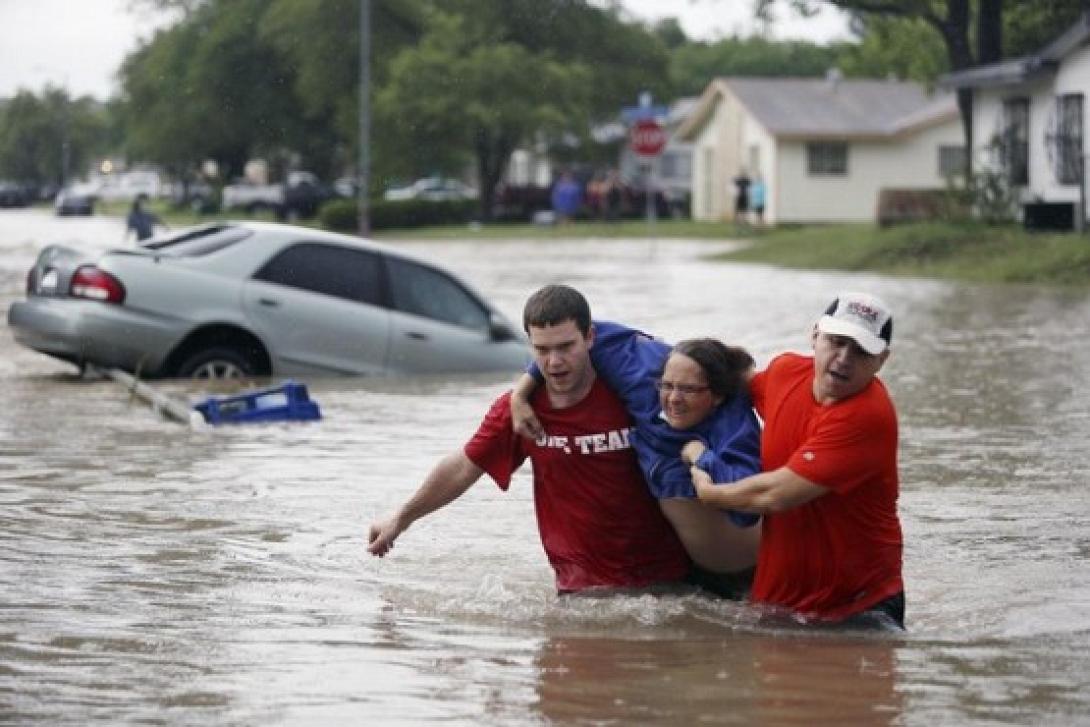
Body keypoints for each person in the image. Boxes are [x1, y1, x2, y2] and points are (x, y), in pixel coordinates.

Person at [368, 285, 691, 594]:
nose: (555, 362)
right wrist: (401, 518)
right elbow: (463, 467)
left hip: (669, 582)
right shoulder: (520, 411)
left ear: (590, 337)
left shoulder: (637, 396)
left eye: (566, 347)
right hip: (581, 590)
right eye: (542, 349)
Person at [686, 292, 905, 629]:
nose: (844, 358)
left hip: (858, 610)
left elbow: (775, 495)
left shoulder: (868, 416)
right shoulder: (785, 373)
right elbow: (731, 377)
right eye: (836, 342)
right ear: (815, 335)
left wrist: (710, 491)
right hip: (777, 603)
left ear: (881, 360)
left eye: (861, 351)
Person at [511, 322, 763, 592]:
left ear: (717, 396)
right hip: (687, 569)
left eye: (688, 389)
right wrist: (521, 393)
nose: (674, 398)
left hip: (747, 573)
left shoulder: (732, 424)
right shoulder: (644, 383)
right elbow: (576, 333)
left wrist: (701, 457)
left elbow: (746, 510)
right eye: (667, 386)